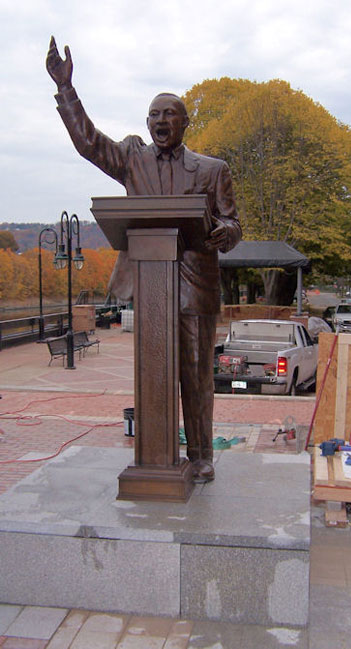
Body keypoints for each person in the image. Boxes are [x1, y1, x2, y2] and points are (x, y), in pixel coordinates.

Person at [46, 37, 241, 483]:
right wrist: (66, 89)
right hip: (151, 284)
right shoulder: (132, 159)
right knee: (155, 372)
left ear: (186, 122)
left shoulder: (213, 169)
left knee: (195, 378)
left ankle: (202, 453)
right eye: (153, 114)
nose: (159, 120)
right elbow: (90, 144)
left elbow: (234, 225)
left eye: (168, 113)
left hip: (194, 284)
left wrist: (222, 232)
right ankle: (155, 453)